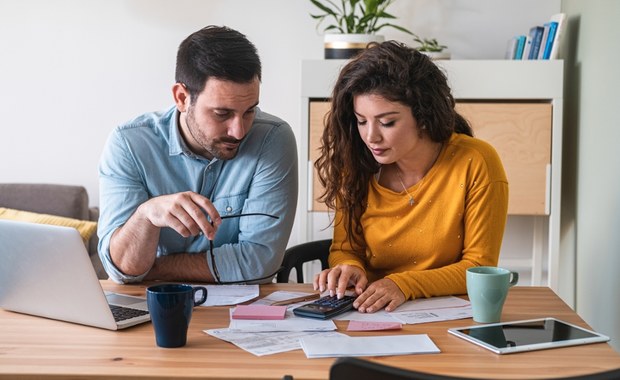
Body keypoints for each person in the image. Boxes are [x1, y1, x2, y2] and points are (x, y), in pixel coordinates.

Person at [313, 41, 508, 313]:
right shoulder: (356, 164)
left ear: (424, 115)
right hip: (369, 312)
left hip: (446, 316)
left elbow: (478, 266)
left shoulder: (476, 161)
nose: (371, 136)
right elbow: (346, 249)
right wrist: (350, 268)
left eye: (387, 122)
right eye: (361, 121)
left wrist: (403, 285)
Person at [98, 25, 298, 284]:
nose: (238, 131)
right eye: (222, 114)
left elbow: (259, 262)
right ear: (182, 97)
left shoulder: (273, 139)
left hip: (238, 312)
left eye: (249, 111)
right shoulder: (129, 144)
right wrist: (146, 215)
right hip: (150, 307)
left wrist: (153, 269)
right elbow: (121, 268)